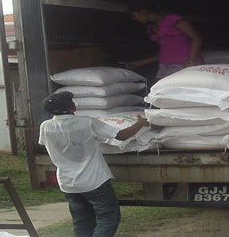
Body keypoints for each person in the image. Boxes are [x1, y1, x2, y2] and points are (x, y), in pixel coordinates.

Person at [38, 91, 154, 237]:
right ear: (72, 107)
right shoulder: (87, 122)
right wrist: (139, 123)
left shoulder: (45, 127)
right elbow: (121, 135)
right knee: (108, 218)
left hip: (68, 184)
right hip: (94, 181)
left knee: (82, 221)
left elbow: (46, 143)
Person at [127, 5, 203, 79]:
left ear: (143, 11)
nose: (134, 18)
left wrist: (191, 59)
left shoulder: (172, 19)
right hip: (165, 67)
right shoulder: (151, 29)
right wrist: (138, 63)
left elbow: (197, 38)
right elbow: (164, 53)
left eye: (134, 15)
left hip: (185, 64)